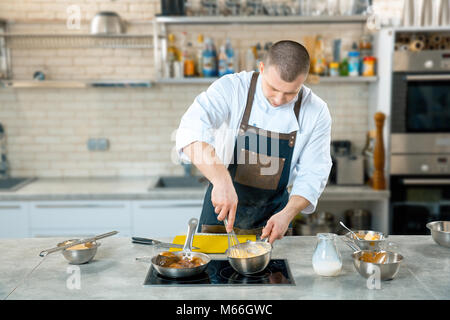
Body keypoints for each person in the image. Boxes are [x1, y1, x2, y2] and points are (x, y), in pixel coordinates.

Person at [176, 40, 332, 244]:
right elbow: (192, 130)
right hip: (220, 217)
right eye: (273, 88)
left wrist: (288, 214)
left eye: (290, 93)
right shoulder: (232, 88)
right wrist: (221, 180)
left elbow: (314, 173)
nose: (278, 99)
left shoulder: (316, 111)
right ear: (261, 68)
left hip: (275, 221)